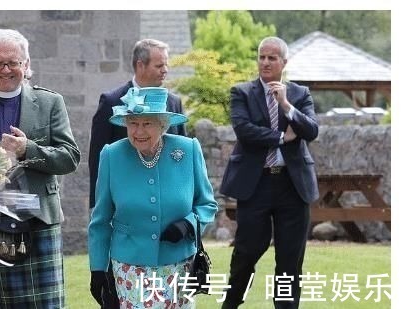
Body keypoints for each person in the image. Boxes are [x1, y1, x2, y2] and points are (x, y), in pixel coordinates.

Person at [0, 28, 80, 308]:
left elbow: (70, 157)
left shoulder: (50, 102)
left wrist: (26, 150)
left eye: (13, 62)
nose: (6, 69)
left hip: (37, 222)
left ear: (26, 64)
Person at [88, 86, 218, 308]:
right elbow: (100, 221)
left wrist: (188, 225)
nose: (138, 132)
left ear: (163, 125)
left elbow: (207, 204)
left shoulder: (188, 150)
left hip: (179, 265)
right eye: (133, 123)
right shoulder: (112, 155)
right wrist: (98, 270)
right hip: (129, 266)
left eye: (146, 123)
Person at [219, 37, 319, 309]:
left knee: (290, 259)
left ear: (284, 63)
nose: (265, 62)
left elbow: (311, 130)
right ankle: (230, 304)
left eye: (272, 58)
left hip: (293, 186)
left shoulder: (300, 94)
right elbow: (244, 130)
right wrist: (281, 137)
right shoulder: (242, 92)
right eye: (261, 57)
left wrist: (286, 105)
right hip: (256, 184)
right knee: (246, 252)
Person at [88, 38, 187, 308]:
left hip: (171, 240)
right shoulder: (111, 101)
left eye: (166, 65)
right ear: (140, 65)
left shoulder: (173, 102)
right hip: (126, 234)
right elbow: (97, 166)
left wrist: (188, 222)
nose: (165, 70)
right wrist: (98, 220)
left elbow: (185, 165)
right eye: (160, 65)